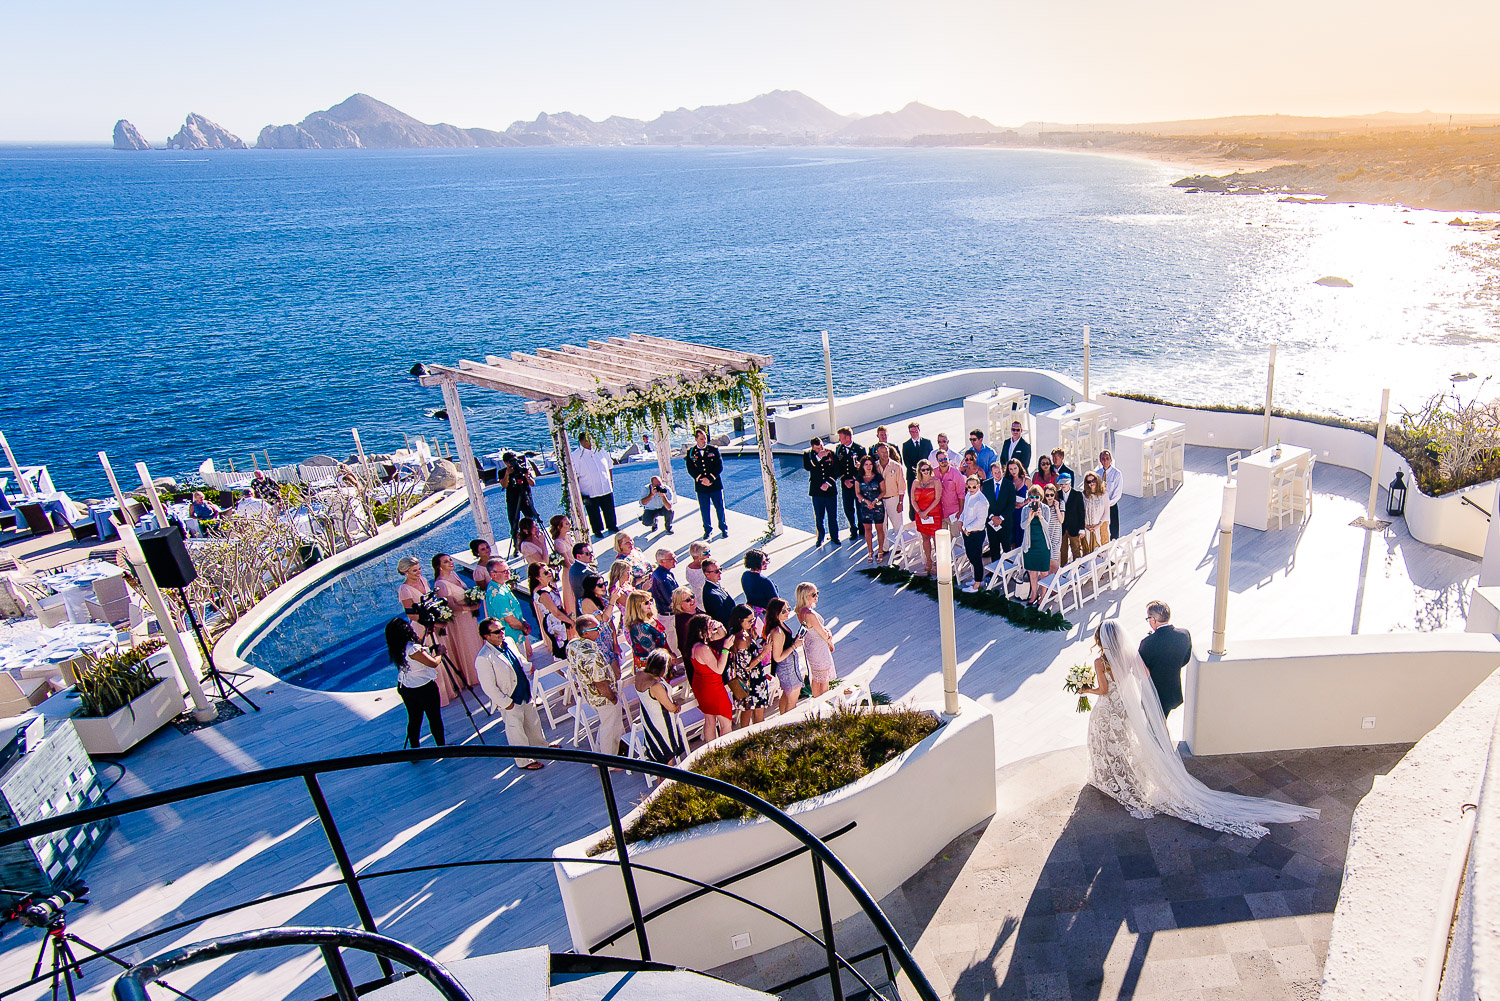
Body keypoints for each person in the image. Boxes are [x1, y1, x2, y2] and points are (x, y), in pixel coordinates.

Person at [1078, 621, 1318, 838]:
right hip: (1125, 710)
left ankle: (1110, 779)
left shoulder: (1101, 662)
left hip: (1109, 710)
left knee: (1105, 742)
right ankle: (1123, 777)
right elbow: (1145, 674)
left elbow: (1103, 690)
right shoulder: (1129, 656)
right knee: (1123, 742)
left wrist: (1085, 688)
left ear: (1101, 639)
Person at [474, 617, 545, 769]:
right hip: (510, 699)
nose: (502, 633)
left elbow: (518, 658)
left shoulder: (509, 642)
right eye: (497, 631)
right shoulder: (484, 658)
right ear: (487, 636)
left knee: (533, 722)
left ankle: (542, 748)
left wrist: (527, 666)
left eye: (502, 629)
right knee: (516, 731)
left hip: (524, 691)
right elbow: (488, 687)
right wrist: (507, 703)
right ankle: (524, 761)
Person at [567, 614, 628, 757]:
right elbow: (600, 683)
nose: (600, 630)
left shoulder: (573, 645)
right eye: (597, 628)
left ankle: (598, 755)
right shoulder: (592, 656)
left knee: (605, 724)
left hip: (589, 694)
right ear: (586, 633)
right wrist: (612, 698)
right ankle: (609, 761)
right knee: (609, 728)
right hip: (602, 697)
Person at [386, 617, 444, 748]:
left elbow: (418, 649)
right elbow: (433, 663)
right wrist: (440, 653)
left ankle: (414, 750)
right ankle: (442, 747)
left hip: (406, 687)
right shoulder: (412, 649)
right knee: (434, 717)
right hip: (423, 688)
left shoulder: (397, 647)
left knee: (414, 719)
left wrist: (425, 634)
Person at [432, 553, 481, 688]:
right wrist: (470, 607)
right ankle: (473, 675)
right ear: (439, 566)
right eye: (446, 562)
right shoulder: (441, 583)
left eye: (450, 560)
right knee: (467, 644)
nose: (450, 563)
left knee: (475, 641)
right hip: (459, 620)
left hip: (469, 617)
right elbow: (451, 605)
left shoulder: (454, 575)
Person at [1138, 600, 1193, 716]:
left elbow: (1141, 670)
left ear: (1153, 619)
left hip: (1153, 694)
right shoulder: (1184, 634)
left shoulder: (1147, 643)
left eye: (1148, 619)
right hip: (1172, 691)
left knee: (1153, 728)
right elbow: (1185, 659)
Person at [686, 613, 734, 741]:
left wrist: (718, 625)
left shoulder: (695, 645)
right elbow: (719, 669)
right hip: (712, 688)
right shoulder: (703, 649)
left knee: (710, 720)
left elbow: (722, 635)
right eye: (708, 627)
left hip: (701, 685)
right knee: (725, 722)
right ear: (701, 630)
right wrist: (725, 649)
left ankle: (711, 750)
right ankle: (726, 750)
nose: (711, 630)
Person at [636, 649, 686, 764]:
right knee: (668, 762)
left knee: (660, 762)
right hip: (662, 726)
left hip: (649, 721)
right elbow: (670, 708)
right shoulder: (655, 686)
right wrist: (675, 705)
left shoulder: (640, 674)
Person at [724, 604, 770, 728]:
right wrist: (764, 652)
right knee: (758, 715)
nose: (752, 623)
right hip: (752, 682)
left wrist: (753, 637)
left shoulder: (738, 634)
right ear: (740, 620)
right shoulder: (742, 639)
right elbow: (748, 666)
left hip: (745, 683)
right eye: (750, 621)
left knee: (746, 712)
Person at [684, 425, 729, 541]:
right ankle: (707, 530)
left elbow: (719, 466)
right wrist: (701, 479)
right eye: (701, 439)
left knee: (719, 507)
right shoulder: (691, 452)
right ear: (696, 439)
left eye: (705, 438)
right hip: (701, 487)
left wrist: (710, 478)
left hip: (715, 485)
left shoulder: (713, 450)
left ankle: (723, 528)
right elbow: (690, 469)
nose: (704, 441)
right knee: (704, 509)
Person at [571, 431, 617, 538]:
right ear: (581, 441)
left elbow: (610, 466)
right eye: (588, 440)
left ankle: (612, 526)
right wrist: (578, 492)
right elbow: (575, 476)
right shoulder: (576, 456)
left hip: (604, 487)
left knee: (609, 508)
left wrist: (611, 481)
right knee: (593, 512)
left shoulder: (600, 450)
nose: (591, 442)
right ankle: (597, 530)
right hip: (589, 490)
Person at [1021, 485, 1060, 606]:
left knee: (1043, 572)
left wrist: (1040, 516)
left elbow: (1047, 527)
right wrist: (1029, 518)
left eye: (1036, 497)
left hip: (1042, 544)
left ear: (1040, 497)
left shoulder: (1045, 509)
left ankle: (1043, 595)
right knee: (1033, 572)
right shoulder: (1025, 509)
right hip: (1030, 545)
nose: (1034, 499)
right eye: (1032, 497)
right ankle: (1034, 594)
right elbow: (1022, 526)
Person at [483, 560, 532, 659]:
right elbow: (510, 621)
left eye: (508, 570)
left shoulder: (502, 586)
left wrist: (524, 622)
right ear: (493, 574)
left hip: (516, 634)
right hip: (511, 638)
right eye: (504, 571)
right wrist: (524, 628)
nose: (508, 573)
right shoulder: (498, 595)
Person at [795, 582, 836, 697]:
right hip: (819, 648)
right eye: (813, 594)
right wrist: (830, 640)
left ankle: (816, 701)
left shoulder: (800, 611)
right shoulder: (810, 614)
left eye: (817, 593)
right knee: (824, 679)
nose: (816, 596)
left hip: (811, 646)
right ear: (805, 597)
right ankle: (823, 702)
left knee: (816, 677)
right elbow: (823, 633)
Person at [766, 597, 805, 714]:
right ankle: (790, 723)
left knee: (786, 695)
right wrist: (794, 646)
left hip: (788, 665)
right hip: (787, 667)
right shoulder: (777, 632)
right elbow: (777, 657)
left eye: (788, 609)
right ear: (775, 613)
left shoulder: (781, 625)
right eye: (783, 611)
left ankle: (783, 718)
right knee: (792, 699)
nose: (787, 612)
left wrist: (794, 641)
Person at [528, 562, 573, 659]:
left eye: (549, 571)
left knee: (566, 646)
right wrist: (571, 621)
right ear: (537, 577)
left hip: (559, 619)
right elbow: (555, 612)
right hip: (554, 622)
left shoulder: (548, 586)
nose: (549, 573)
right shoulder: (543, 594)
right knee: (561, 649)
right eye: (545, 573)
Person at [500, 452, 540, 554]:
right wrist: (508, 474)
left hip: (525, 499)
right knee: (514, 523)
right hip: (513, 500)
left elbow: (532, 483)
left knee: (531, 521)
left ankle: (535, 541)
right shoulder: (503, 472)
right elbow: (504, 485)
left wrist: (527, 476)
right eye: (510, 461)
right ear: (505, 463)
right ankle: (517, 546)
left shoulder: (522, 470)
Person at [804, 436, 840, 546]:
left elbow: (836, 470)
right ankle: (820, 537)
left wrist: (828, 483)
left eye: (821, 447)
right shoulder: (808, 455)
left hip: (829, 491)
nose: (821, 450)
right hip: (817, 491)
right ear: (813, 448)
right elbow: (808, 467)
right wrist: (818, 457)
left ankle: (834, 536)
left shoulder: (831, 453)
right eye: (817, 448)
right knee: (819, 516)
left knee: (832, 515)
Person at [625, 588, 671, 674]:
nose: (650, 604)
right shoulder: (639, 628)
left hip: (663, 660)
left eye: (650, 600)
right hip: (653, 667)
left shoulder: (650, 618)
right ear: (636, 606)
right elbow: (653, 651)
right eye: (646, 603)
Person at [833, 426, 867, 541]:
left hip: (857, 484)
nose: (839, 440)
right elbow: (837, 467)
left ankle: (862, 528)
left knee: (859, 506)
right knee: (848, 507)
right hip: (845, 485)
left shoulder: (860, 449)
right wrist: (844, 479)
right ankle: (853, 528)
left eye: (841, 437)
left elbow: (864, 468)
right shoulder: (839, 449)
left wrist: (853, 479)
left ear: (847, 437)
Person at [910, 460, 942, 576]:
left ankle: (938, 563)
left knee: (936, 539)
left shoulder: (936, 481)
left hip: (934, 513)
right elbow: (913, 499)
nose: (926, 471)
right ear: (919, 471)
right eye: (923, 470)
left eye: (928, 469)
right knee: (925, 538)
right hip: (920, 514)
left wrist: (926, 512)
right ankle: (929, 560)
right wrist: (919, 512)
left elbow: (937, 498)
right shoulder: (915, 482)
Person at [959, 475, 989, 589]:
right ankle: (977, 578)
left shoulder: (982, 501)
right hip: (967, 533)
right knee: (970, 556)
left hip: (976, 533)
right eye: (969, 487)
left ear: (979, 487)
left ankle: (977, 585)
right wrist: (961, 521)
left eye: (974, 487)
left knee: (976, 558)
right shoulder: (968, 495)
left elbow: (981, 521)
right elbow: (965, 511)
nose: (971, 489)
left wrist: (967, 528)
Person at [856, 454, 885, 565]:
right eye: (866, 464)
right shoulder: (859, 478)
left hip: (877, 506)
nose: (869, 466)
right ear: (862, 466)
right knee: (867, 529)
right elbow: (857, 493)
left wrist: (875, 500)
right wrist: (866, 501)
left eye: (870, 464)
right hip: (865, 507)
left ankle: (880, 550)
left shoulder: (878, 477)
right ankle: (870, 551)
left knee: (879, 529)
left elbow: (883, 491)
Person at [876, 443, 905, 549]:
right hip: (880, 500)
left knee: (898, 526)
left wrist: (900, 502)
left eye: (887, 451)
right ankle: (884, 548)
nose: (885, 454)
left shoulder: (897, 466)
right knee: (882, 526)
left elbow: (902, 486)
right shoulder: (874, 467)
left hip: (893, 499)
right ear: (877, 453)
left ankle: (899, 547)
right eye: (882, 452)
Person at [1056, 471, 1087, 566]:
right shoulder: (1057, 494)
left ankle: (1077, 569)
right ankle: (1062, 572)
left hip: (1074, 527)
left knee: (1076, 550)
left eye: (1065, 483)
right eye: (1061, 483)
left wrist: (1082, 528)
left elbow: (1081, 512)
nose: (1063, 485)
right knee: (1062, 551)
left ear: (1069, 483)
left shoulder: (1077, 494)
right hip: (1062, 528)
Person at [933, 451, 965, 535]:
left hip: (953, 513)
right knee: (942, 539)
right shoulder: (933, 473)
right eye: (941, 459)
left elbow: (961, 494)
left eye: (945, 458)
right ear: (937, 460)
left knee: (956, 538)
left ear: (948, 459)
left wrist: (960, 511)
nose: (943, 461)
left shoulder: (956, 474)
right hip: (939, 512)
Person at [1004, 459, 1031, 552]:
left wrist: (1023, 503)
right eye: (1010, 469)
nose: (1013, 471)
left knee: (1022, 536)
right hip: (1011, 512)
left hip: (1022, 511)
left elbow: (1034, 495)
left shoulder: (1026, 480)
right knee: (1011, 538)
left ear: (1019, 468)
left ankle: (1022, 560)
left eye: (1015, 468)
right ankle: (1013, 560)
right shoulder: (1007, 480)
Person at [700, 559, 736, 627]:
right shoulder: (712, 595)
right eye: (716, 571)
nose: (720, 573)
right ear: (707, 574)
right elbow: (724, 619)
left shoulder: (716, 586)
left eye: (720, 569)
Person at [1098, 449, 1124, 542]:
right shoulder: (1098, 473)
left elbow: (1117, 493)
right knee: (1102, 527)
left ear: (1111, 460)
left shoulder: (1117, 474)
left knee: (1114, 528)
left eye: (1107, 458)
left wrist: (1108, 504)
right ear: (1100, 460)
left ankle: (1114, 544)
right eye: (1103, 459)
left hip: (1111, 505)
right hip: (1100, 506)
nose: (1105, 461)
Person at [901, 422, 933, 496]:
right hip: (912, 476)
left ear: (919, 430)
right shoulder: (906, 445)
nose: (914, 433)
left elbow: (930, 458)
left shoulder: (927, 442)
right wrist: (917, 471)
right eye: (912, 432)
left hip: (926, 474)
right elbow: (907, 462)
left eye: (916, 431)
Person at [1082, 471, 1110, 553]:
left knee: (1102, 549)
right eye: (1089, 481)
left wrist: (1098, 525)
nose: (1092, 483)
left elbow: (1107, 512)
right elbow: (1080, 512)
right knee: (1087, 550)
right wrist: (1085, 525)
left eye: (1093, 480)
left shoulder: (1104, 494)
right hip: (1088, 527)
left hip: (1100, 526)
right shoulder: (1083, 495)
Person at [670, 587, 698, 665]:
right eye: (687, 600)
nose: (692, 600)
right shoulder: (683, 621)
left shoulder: (695, 610)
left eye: (692, 596)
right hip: (696, 662)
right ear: (679, 604)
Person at [650, 548, 679, 616]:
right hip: (670, 615)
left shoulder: (666, 573)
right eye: (671, 559)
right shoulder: (662, 579)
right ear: (661, 562)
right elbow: (671, 600)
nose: (676, 561)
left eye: (675, 557)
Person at [568, 541, 596, 610]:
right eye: (588, 553)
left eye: (592, 552)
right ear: (579, 556)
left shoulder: (574, 567)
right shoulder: (584, 572)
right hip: (591, 608)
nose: (592, 555)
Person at [684, 540, 711, 606]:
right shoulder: (696, 572)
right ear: (696, 556)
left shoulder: (690, 567)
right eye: (705, 553)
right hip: (705, 603)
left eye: (709, 551)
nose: (709, 555)